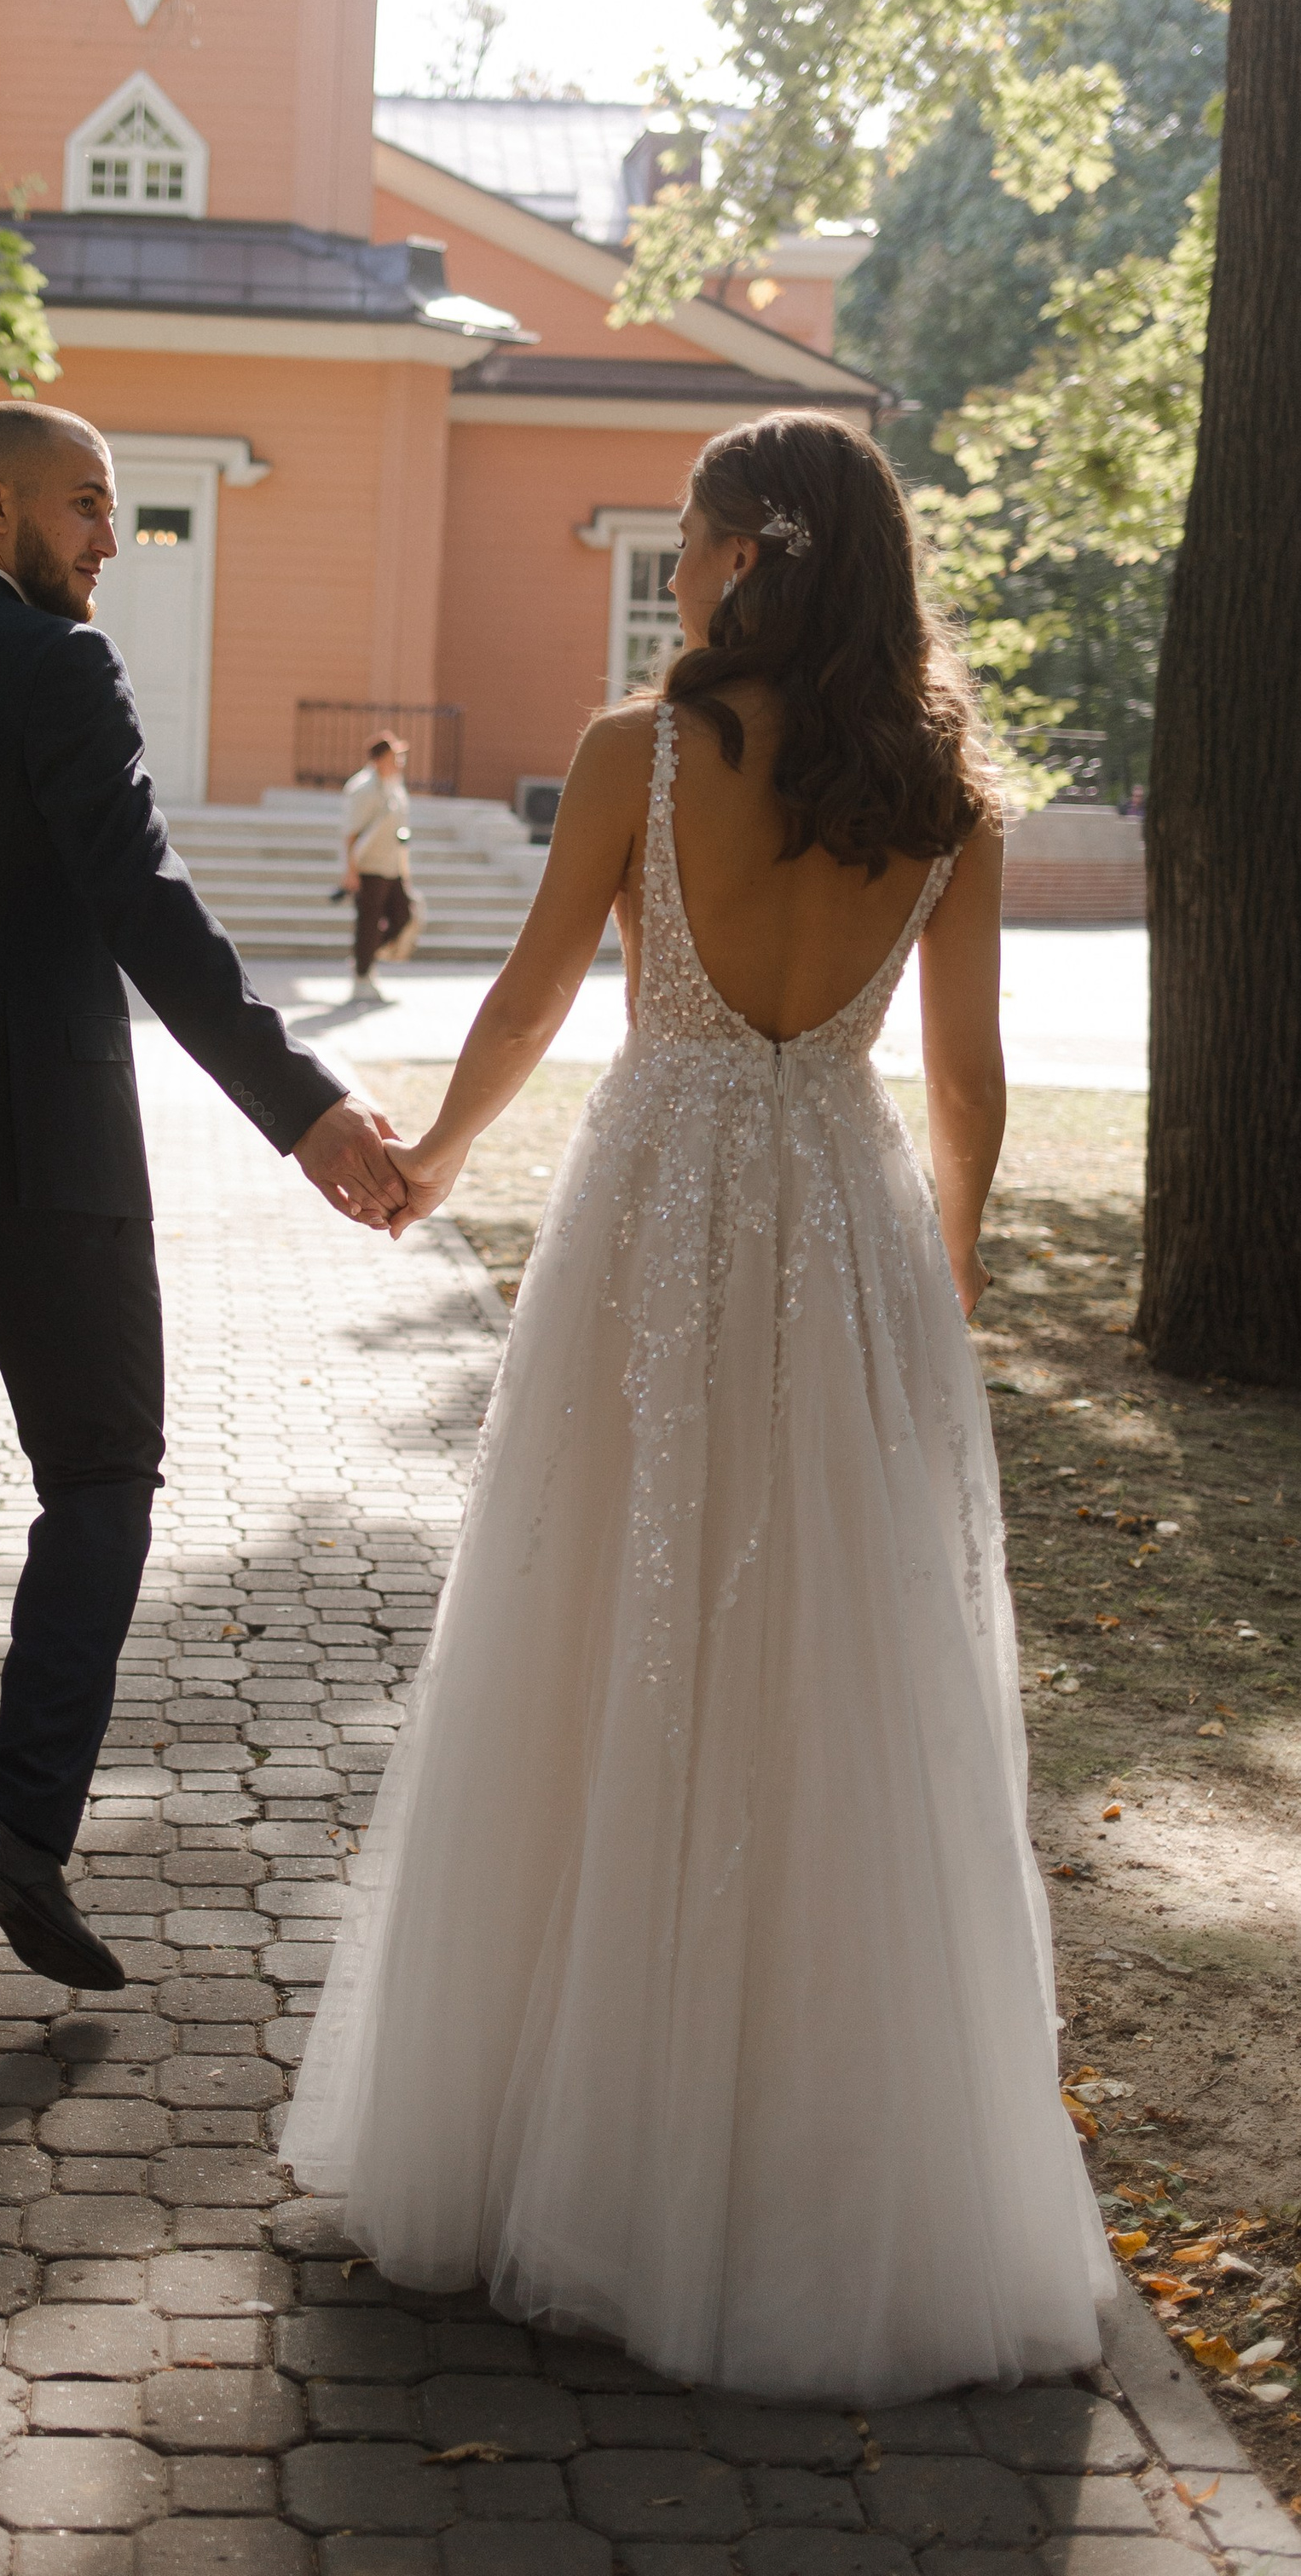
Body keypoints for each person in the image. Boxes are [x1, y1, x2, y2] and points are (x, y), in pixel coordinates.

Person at [281, 408, 1113, 2400]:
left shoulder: (636, 752)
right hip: (843, 1220)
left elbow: (528, 995)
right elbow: (966, 1079)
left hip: (652, 1213)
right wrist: (946, 1270)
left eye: (684, 533)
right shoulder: (945, 795)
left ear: (749, 551)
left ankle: (574, 2126)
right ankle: (805, 2151)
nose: (671, 565)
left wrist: (434, 1161)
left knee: (597, 1610)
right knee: (831, 1652)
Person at [0, 401, 405, 1996]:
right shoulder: (60, 666)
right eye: (87, 507)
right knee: (105, 1475)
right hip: (40, 1154)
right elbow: (145, 905)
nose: (112, 541)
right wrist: (303, 1106)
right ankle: (17, 1819)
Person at [341, 733, 413, 1001]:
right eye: (394, 756)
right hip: (369, 868)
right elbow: (351, 833)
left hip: (392, 866)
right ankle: (362, 975)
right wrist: (350, 871)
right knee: (368, 924)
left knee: (403, 915)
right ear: (380, 759)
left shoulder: (394, 785)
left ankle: (364, 957)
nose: (399, 762)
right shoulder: (363, 789)